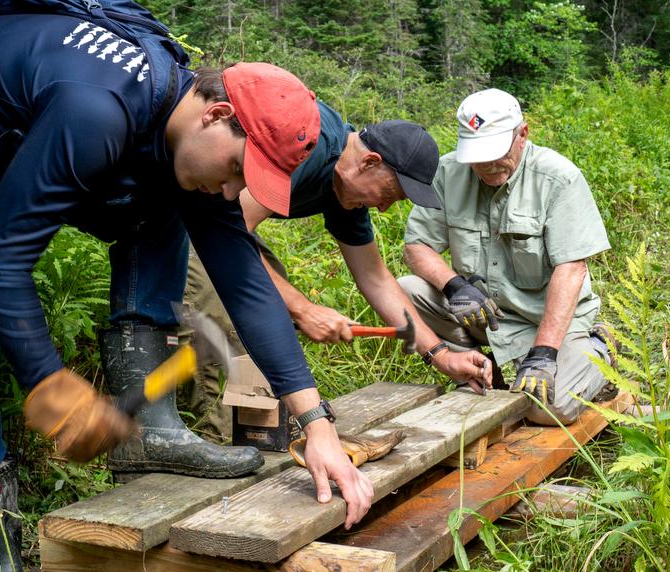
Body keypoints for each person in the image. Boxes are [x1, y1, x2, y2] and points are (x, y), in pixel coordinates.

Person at [0, 6, 373, 569]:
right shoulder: (98, 111)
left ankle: (145, 441)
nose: (233, 190)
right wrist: (58, 394)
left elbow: (245, 287)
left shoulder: (186, 135)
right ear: (216, 115)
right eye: (238, 169)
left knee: (168, 207)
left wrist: (318, 426)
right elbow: (0, 264)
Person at [179, 103, 495, 443]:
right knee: (215, 309)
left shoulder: (345, 189)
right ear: (369, 162)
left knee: (271, 303)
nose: (385, 207)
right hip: (190, 217)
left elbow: (375, 278)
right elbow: (228, 229)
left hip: (220, 220)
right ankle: (214, 440)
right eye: (389, 194)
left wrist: (442, 355)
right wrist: (304, 308)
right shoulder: (308, 147)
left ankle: (254, 431)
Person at [400, 88, 616, 427]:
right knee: (402, 292)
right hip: (485, 313)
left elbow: (572, 269)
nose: (486, 165)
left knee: (547, 409)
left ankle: (598, 349)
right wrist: (454, 286)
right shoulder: (448, 172)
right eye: (477, 156)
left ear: (523, 135)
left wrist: (544, 353)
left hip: (545, 321)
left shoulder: (558, 178)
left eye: (494, 153)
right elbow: (416, 246)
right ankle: (479, 375)